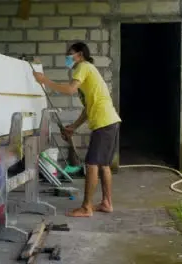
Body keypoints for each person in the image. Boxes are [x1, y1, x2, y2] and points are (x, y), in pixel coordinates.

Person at [33, 42, 121, 217]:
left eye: (70, 54)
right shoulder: (88, 71)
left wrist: (45, 81)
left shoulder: (82, 66)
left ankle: (87, 207)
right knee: (103, 165)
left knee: (92, 164)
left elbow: (70, 90)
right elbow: (87, 109)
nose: (67, 57)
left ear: (80, 55)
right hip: (108, 121)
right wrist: (73, 127)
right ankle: (106, 203)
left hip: (104, 123)